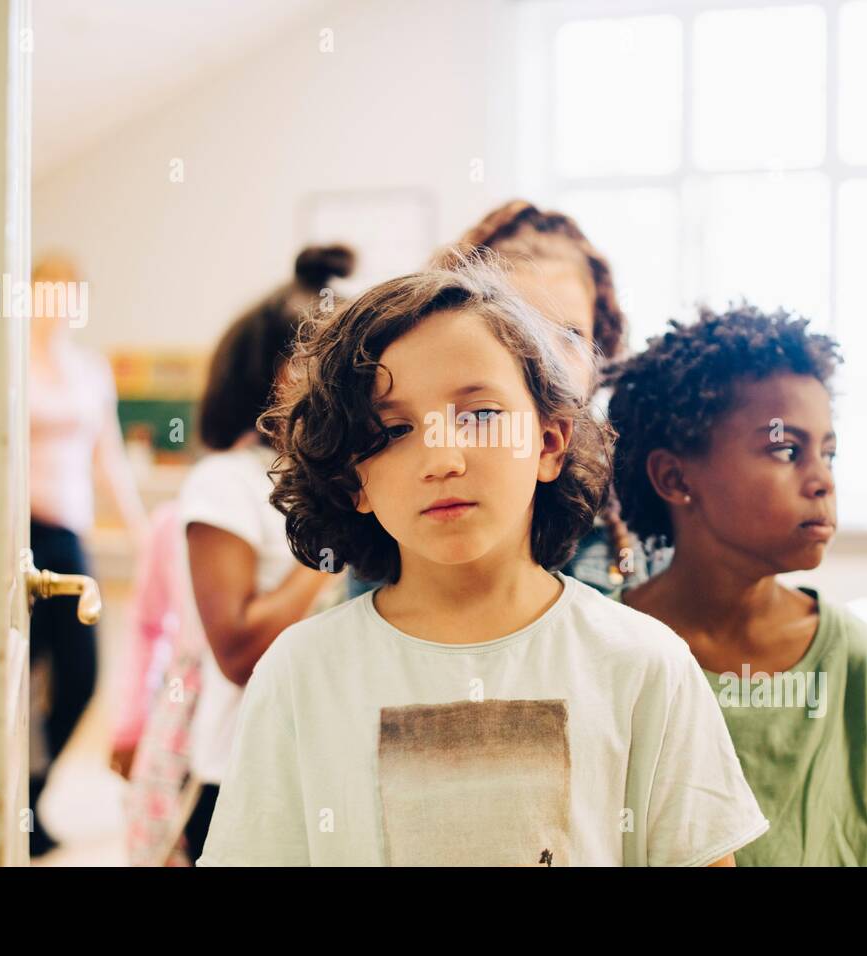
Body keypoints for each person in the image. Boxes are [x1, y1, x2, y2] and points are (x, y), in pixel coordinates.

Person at [198, 256, 767, 866]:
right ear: (353, 479)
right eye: (392, 430)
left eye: (479, 416)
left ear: (549, 442)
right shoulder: (300, 673)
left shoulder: (643, 664)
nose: (442, 457)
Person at [604, 305, 867, 865]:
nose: (822, 480)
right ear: (675, 478)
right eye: (786, 450)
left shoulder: (862, 666)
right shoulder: (604, 654)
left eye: (829, 453)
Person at [344, 199, 646, 599]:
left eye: (572, 336)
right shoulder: (408, 513)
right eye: (523, 331)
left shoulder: (640, 497)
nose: (548, 359)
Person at [176, 245, 350, 863]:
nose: (339, 378)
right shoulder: (225, 482)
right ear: (272, 373)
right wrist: (333, 545)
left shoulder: (351, 474)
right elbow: (238, 652)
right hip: (243, 771)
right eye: (317, 359)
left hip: (337, 772)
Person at [27, 253, 149, 857]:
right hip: (14, 536)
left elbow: (109, 457)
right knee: (19, 674)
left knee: (80, 674)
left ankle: (31, 787)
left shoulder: (89, 370)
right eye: (48, 290)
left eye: (70, 292)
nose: (59, 302)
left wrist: (140, 533)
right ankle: (14, 798)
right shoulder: (7, 364)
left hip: (68, 538)